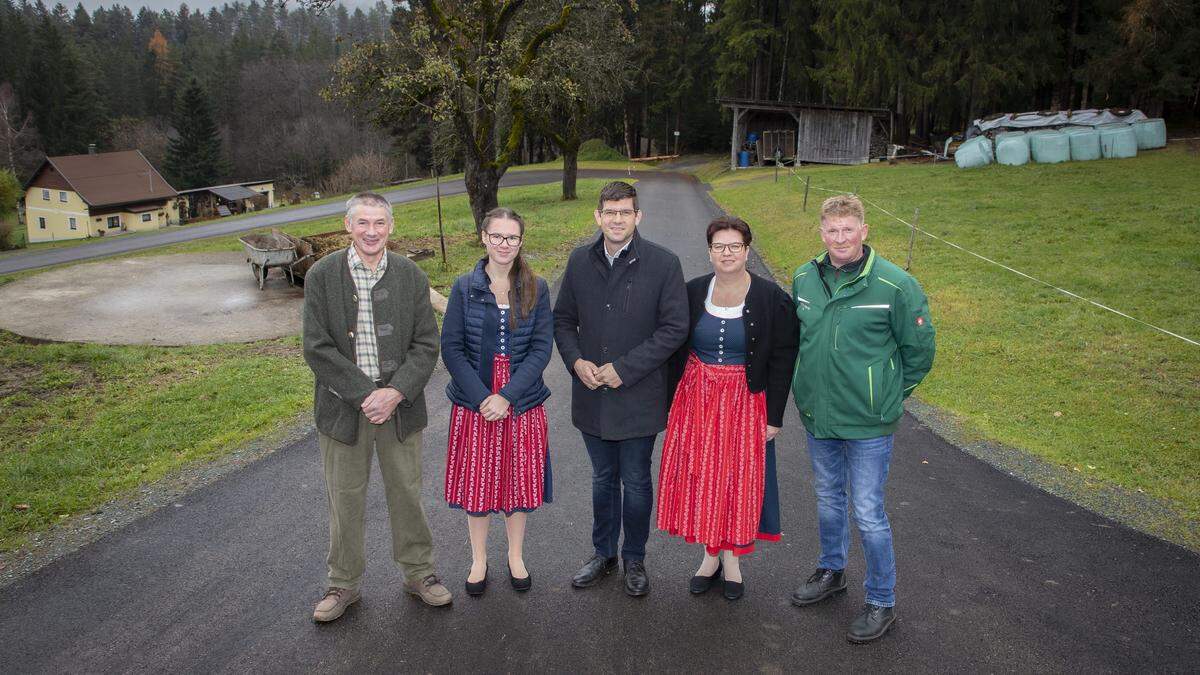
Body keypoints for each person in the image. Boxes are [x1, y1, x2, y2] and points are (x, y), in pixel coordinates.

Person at [789, 194, 936, 643]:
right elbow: (800, 339)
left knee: (868, 512)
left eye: (848, 229)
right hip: (820, 418)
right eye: (831, 231)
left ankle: (881, 600)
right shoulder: (804, 277)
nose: (840, 239)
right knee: (829, 500)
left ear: (864, 230)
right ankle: (832, 571)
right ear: (821, 232)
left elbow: (919, 351)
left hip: (870, 423)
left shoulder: (895, 285)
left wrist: (890, 397)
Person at [302, 192, 450, 622]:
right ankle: (342, 584)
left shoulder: (410, 275)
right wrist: (365, 394)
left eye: (379, 223)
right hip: (343, 408)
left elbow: (426, 344)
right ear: (347, 226)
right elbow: (316, 347)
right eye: (362, 223)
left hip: (400, 407)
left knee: (406, 492)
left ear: (391, 227)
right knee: (344, 498)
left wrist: (395, 391)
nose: (371, 232)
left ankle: (419, 573)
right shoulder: (322, 275)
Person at [553, 180, 689, 597]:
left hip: (638, 395)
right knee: (602, 479)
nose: (616, 219)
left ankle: (634, 558)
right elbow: (562, 321)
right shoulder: (578, 262)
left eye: (624, 212)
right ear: (598, 216)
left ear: (637, 216)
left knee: (636, 479)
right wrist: (576, 362)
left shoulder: (664, 264)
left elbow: (674, 328)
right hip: (591, 395)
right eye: (609, 212)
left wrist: (624, 369)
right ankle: (602, 553)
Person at [658, 216, 798, 600]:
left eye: (735, 246)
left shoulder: (771, 298)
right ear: (709, 251)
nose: (727, 253)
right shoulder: (692, 291)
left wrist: (775, 415)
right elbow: (673, 346)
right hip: (697, 397)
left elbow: (784, 358)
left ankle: (732, 559)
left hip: (745, 399)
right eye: (719, 246)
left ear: (747, 251)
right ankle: (709, 557)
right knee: (703, 476)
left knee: (737, 479)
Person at [440, 207, 553, 596]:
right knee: (479, 480)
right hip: (476, 398)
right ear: (484, 237)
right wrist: (482, 398)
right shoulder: (462, 286)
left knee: (517, 480)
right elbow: (452, 349)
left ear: (521, 242)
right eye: (498, 236)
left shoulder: (537, 286)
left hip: (520, 399)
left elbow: (541, 349)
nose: (505, 244)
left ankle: (516, 555)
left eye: (513, 238)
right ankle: (478, 558)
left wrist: (507, 396)